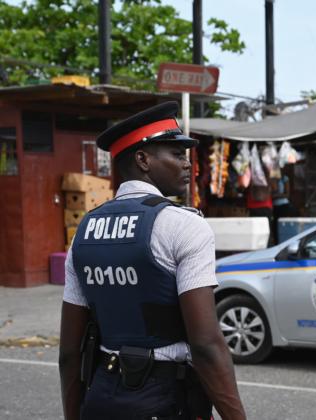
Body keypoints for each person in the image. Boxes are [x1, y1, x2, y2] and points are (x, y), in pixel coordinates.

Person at [58, 102, 246, 420]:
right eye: (176, 154)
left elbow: (68, 353)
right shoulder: (184, 224)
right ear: (143, 159)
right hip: (165, 398)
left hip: (102, 395)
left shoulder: (85, 231)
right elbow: (206, 345)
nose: (188, 165)